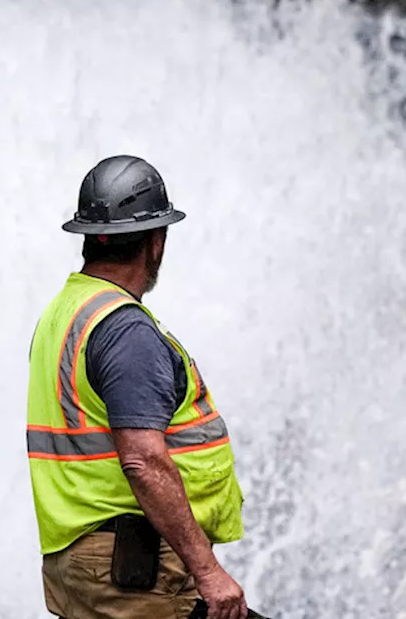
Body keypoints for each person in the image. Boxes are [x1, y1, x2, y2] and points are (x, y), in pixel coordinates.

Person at [26, 155, 249, 619]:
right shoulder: (126, 330)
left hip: (84, 562)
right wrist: (208, 571)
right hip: (131, 569)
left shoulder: (64, 313)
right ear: (156, 242)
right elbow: (143, 460)